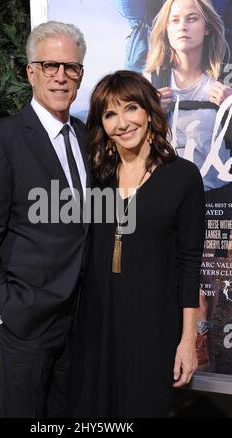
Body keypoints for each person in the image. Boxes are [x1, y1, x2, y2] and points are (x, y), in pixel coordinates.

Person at [0, 21, 90, 418]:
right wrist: (5, 307)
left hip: (81, 320)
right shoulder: (2, 141)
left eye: (71, 67)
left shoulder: (87, 137)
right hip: (26, 321)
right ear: (30, 71)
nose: (61, 76)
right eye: (50, 65)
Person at [68, 70, 205, 418]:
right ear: (101, 124)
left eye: (131, 108)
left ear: (148, 111)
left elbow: (190, 265)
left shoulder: (183, 177)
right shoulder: (95, 179)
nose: (123, 122)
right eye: (110, 114)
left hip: (153, 328)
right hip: (95, 329)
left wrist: (187, 340)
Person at [145, 0, 232, 369]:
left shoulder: (225, 84)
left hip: (215, 202)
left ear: (208, 27)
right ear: (165, 29)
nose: (183, 26)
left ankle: (202, 353)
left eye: (192, 18)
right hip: (165, 204)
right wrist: (147, 110)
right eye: (175, 19)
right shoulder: (149, 84)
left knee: (208, 287)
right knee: (170, 283)